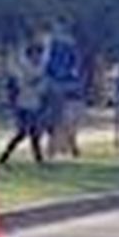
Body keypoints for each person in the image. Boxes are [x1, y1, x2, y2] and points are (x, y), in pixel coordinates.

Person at [0, 40, 47, 166]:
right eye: (36, 54)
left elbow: (42, 88)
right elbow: (21, 82)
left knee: (35, 134)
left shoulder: (41, 69)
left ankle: (39, 159)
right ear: (30, 55)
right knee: (23, 133)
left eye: (39, 54)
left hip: (35, 105)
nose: (38, 57)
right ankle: (5, 156)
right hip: (23, 105)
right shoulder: (25, 68)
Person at [41, 25, 85, 159]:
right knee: (64, 119)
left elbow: (47, 64)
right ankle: (64, 147)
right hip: (64, 85)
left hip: (58, 85)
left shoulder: (53, 44)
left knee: (59, 119)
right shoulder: (67, 45)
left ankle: (57, 148)